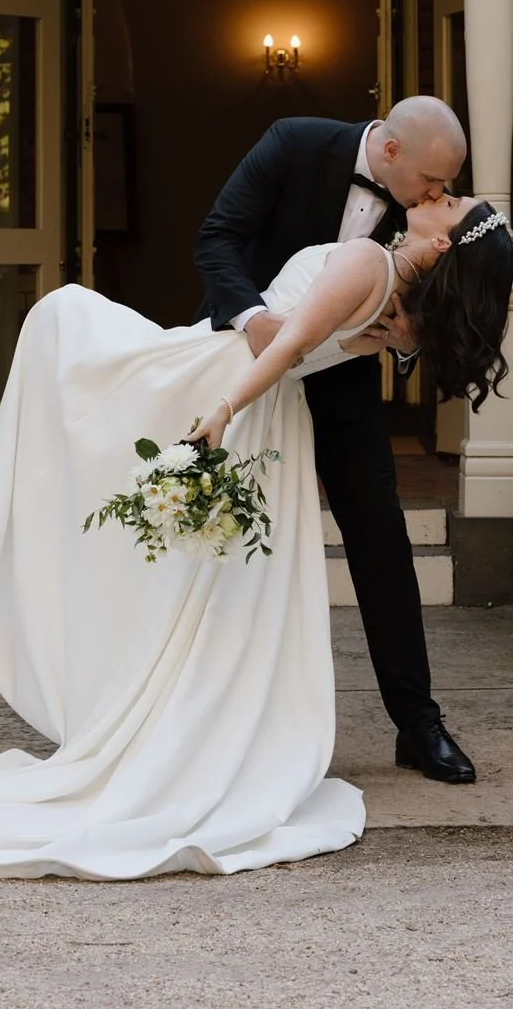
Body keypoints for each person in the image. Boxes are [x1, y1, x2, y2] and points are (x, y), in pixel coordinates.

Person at [0, 194, 513, 881]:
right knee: (206, 584)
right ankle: (190, 729)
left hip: (231, 385)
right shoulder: (401, 313)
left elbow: (287, 346)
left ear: (443, 242)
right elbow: (318, 347)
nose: (434, 194)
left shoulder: (367, 261)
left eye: (449, 201)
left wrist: (222, 409)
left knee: (63, 315)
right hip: (275, 420)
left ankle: (167, 726)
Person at [194, 99, 479, 783]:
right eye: (431, 181)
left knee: (381, 539)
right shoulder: (293, 142)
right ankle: (212, 721)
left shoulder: (423, 215)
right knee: (224, 539)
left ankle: (419, 724)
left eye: (445, 186)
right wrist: (254, 319)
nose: (436, 195)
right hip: (247, 365)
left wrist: (404, 343)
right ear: (390, 151)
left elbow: (427, 308)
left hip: (343, 378)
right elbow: (218, 238)